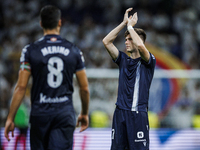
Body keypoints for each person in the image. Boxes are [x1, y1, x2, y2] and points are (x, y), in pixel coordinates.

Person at [4, 5, 90, 150]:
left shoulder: (30, 51)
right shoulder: (74, 50)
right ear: (60, 22)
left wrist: (10, 118)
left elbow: (21, 87)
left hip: (40, 114)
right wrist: (84, 113)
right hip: (64, 113)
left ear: (41, 24)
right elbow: (84, 88)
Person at [102, 8, 156, 150]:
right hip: (119, 113)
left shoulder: (148, 61)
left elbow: (140, 45)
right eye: (125, 39)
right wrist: (124, 23)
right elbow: (106, 41)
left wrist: (131, 27)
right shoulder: (123, 60)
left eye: (129, 39)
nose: (126, 41)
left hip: (137, 114)